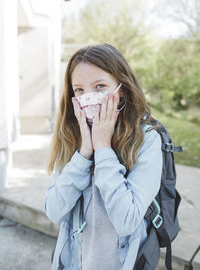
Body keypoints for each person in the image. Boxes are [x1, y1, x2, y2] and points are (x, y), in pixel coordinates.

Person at [44, 43, 162, 270]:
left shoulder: (147, 142)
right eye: (79, 90)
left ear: (122, 89)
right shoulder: (71, 137)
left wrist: (103, 149)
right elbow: (54, 212)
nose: (89, 97)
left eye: (99, 86)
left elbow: (127, 220)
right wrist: (84, 153)